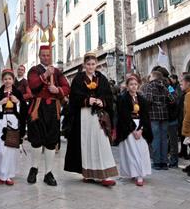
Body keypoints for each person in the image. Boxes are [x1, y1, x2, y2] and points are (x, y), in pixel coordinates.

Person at [64, 53, 118, 187]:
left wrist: (102, 101)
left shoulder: (101, 78)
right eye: (88, 64)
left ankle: (104, 175)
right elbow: (73, 98)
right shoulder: (78, 79)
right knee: (86, 143)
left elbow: (109, 96)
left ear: (96, 65)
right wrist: (86, 100)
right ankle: (88, 173)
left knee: (101, 141)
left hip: (98, 115)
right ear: (84, 65)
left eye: (93, 64)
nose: (91, 67)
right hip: (83, 116)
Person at [26, 45, 70, 186]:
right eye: (43, 55)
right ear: (39, 56)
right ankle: (34, 169)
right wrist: (45, 75)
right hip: (38, 108)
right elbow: (32, 85)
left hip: (53, 109)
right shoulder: (34, 70)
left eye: (48, 55)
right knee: (37, 140)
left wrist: (57, 89)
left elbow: (66, 87)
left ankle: (48, 173)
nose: (46, 57)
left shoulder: (57, 72)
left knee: (51, 141)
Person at [0, 69, 26, 185]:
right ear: (2, 80)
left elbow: (24, 109)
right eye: (5, 79)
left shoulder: (17, 93)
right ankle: (0, 173)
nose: (7, 81)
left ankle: (8, 175)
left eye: (10, 78)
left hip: (13, 122)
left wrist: (18, 102)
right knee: (0, 148)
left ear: (13, 80)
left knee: (10, 149)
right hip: (1, 121)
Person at [115, 74, 152, 186]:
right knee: (131, 151)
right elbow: (124, 115)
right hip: (128, 127)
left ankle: (140, 173)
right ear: (127, 86)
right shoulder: (122, 98)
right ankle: (134, 173)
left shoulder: (142, 99)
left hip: (140, 126)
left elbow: (145, 115)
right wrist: (133, 130)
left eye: (135, 84)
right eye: (131, 84)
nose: (133, 86)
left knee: (142, 150)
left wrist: (141, 129)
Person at [141, 70, 175, 170]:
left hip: (153, 116)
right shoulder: (164, 87)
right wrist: (163, 105)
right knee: (164, 139)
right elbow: (172, 100)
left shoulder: (149, 86)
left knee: (155, 139)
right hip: (164, 116)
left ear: (153, 77)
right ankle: (164, 162)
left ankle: (157, 162)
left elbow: (148, 100)